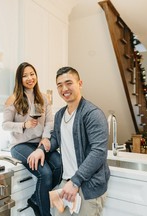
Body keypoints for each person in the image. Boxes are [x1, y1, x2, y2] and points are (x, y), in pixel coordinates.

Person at [2, 62, 62, 216]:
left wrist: (45, 139)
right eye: (25, 75)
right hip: (20, 145)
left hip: (40, 144)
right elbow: (5, 125)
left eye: (32, 74)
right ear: (19, 79)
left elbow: (49, 122)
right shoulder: (13, 99)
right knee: (46, 173)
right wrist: (24, 124)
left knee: (60, 167)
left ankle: (36, 198)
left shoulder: (43, 98)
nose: (29, 78)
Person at [49, 66, 110, 216]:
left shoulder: (92, 114)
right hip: (66, 183)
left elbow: (99, 152)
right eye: (59, 85)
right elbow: (56, 139)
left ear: (80, 83)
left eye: (69, 83)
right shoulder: (59, 115)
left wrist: (75, 181)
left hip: (86, 187)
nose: (64, 88)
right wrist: (41, 149)